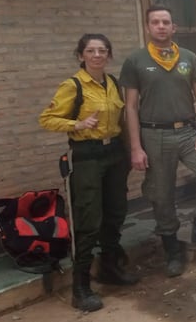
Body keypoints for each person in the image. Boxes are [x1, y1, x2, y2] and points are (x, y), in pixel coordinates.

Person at [121, 5, 196, 276]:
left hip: (188, 131)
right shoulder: (136, 61)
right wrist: (135, 147)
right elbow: (130, 107)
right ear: (147, 27)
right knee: (161, 193)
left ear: (173, 27)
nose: (161, 26)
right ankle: (171, 247)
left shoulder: (188, 57)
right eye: (155, 22)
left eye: (166, 22)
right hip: (154, 134)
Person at [39, 34, 138, 312]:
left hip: (114, 154)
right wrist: (78, 123)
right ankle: (80, 287)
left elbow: (121, 119)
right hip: (87, 157)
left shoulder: (113, 83)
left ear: (109, 55)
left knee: (116, 211)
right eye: (91, 51)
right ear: (81, 55)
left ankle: (110, 267)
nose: (97, 55)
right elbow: (46, 119)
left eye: (102, 51)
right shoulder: (73, 86)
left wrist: (131, 153)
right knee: (88, 219)